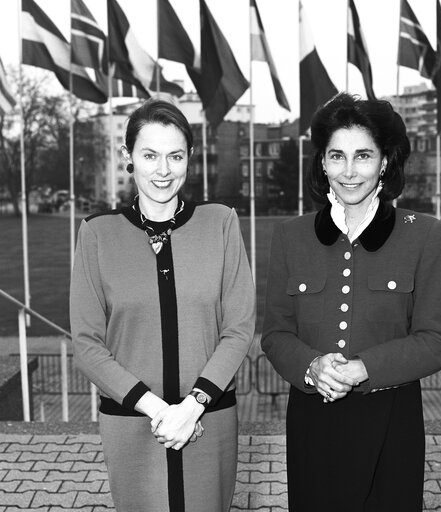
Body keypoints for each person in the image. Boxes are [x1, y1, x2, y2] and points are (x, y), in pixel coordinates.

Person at [261, 92, 441, 511]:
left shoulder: (424, 234)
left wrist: (364, 368)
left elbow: (438, 339)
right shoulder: (289, 236)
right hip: (313, 417)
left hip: (392, 421)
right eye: (337, 156)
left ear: (385, 161)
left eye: (363, 156)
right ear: (322, 162)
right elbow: (276, 334)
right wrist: (311, 367)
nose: (349, 172)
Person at [70, 98, 255, 512]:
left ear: (189, 157)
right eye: (149, 155)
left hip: (208, 418)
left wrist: (192, 406)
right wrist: (158, 410)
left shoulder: (220, 222)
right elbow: (86, 342)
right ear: (128, 157)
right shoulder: (97, 234)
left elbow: (239, 328)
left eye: (175, 156)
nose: (163, 170)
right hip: (134, 422)